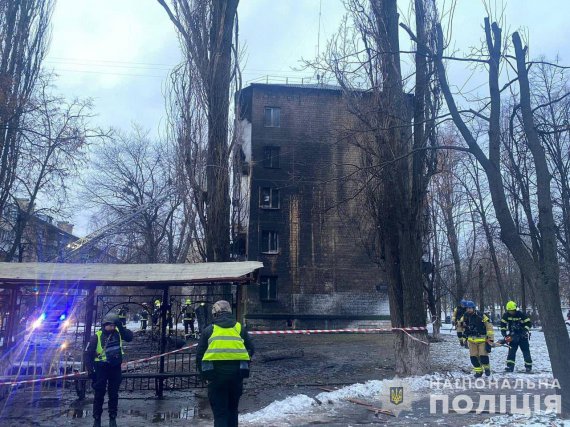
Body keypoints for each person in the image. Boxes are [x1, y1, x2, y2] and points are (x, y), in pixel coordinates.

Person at [196, 300, 254, 427]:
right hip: (236, 376)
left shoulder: (209, 330)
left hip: (215, 377)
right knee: (233, 411)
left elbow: (199, 355)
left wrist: (204, 376)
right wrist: (244, 361)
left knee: (220, 413)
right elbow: (251, 348)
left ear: (215, 313)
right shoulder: (239, 328)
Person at [85, 313, 133, 427]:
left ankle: (112, 416)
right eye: (110, 325)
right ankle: (97, 418)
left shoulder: (118, 333)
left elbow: (129, 337)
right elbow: (87, 354)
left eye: (113, 325)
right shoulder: (97, 336)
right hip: (101, 368)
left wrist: (120, 327)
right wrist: (90, 371)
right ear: (104, 325)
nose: (112, 328)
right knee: (99, 394)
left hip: (115, 368)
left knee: (113, 393)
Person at [457, 301, 494, 377]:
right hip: (471, 340)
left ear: (473, 308)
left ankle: (487, 368)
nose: (468, 310)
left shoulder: (481, 315)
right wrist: (463, 336)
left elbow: (489, 326)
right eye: (467, 308)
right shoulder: (465, 316)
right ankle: (478, 372)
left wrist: (490, 339)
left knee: (483, 356)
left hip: (482, 339)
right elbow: (460, 325)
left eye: (470, 308)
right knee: (473, 357)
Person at [500, 301, 533, 373]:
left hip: (522, 336)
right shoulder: (506, 315)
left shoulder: (521, 314)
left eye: (512, 310)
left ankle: (528, 367)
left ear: (515, 309)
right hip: (512, 336)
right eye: (509, 311)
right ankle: (510, 367)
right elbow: (503, 324)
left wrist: (524, 330)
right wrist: (504, 332)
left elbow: (529, 323)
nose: (511, 312)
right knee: (511, 351)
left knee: (525, 351)